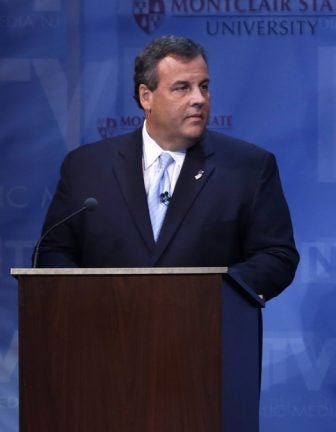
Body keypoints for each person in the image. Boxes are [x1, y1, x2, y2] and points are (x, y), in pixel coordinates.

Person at [35, 35, 299, 428]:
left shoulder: (248, 167)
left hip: (207, 363)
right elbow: (53, 253)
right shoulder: (86, 167)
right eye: (183, 87)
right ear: (146, 96)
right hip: (101, 362)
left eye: (204, 86)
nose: (199, 99)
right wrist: (95, 302)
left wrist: (211, 296)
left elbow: (277, 255)